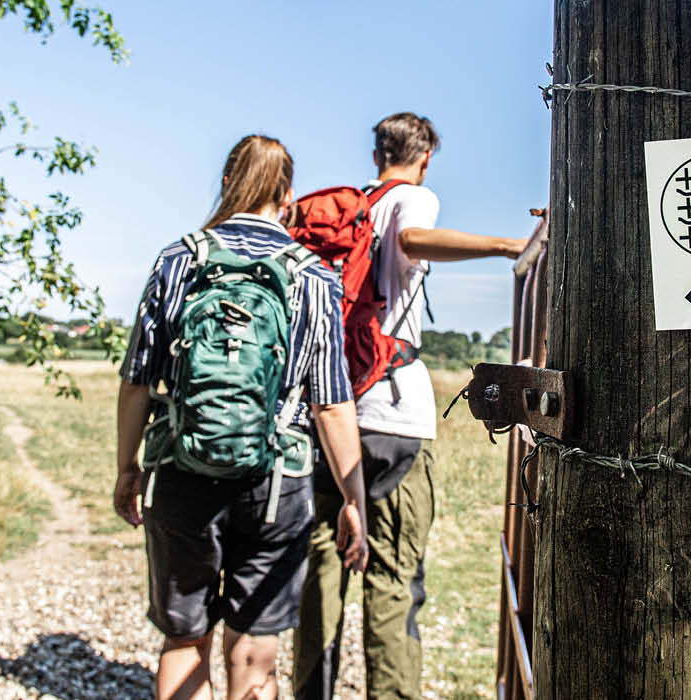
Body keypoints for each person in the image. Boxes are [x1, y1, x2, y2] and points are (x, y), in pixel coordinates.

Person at [115, 134, 370, 700]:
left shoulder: (178, 260)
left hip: (181, 470)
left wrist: (127, 468)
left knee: (185, 640)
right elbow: (331, 402)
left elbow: (136, 380)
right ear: (288, 196)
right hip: (277, 481)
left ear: (228, 182)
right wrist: (353, 499)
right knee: (254, 648)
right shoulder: (313, 275)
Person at [293, 114, 529, 699]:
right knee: (393, 581)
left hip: (331, 412)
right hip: (394, 416)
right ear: (424, 159)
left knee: (320, 576)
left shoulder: (347, 212)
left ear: (377, 155)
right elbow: (412, 241)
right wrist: (509, 246)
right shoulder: (413, 198)